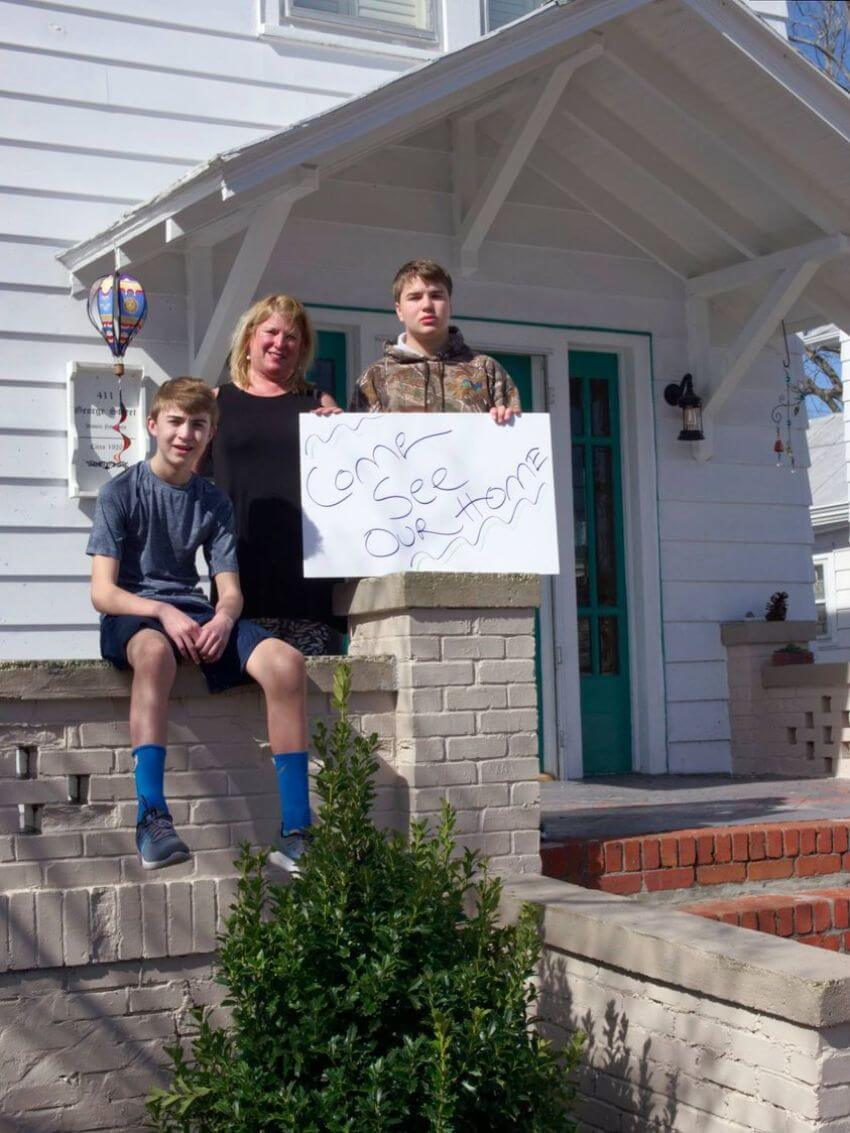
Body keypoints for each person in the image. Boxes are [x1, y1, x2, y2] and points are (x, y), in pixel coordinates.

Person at [88, 377, 312, 874]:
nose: (185, 434)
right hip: (134, 617)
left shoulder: (213, 501)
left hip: (195, 614)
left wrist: (225, 618)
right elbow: (102, 592)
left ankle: (297, 830)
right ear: (153, 425)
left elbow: (229, 590)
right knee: (154, 653)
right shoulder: (120, 493)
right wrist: (161, 611)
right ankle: (151, 818)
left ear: (210, 435)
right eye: (175, 422)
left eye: (199, 425)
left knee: (286, 663)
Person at [204, 294, 345, 656]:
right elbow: (187, 483)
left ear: (302, 349)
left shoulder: (319, 404)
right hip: (239, 581)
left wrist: (342, 434)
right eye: (271, 332)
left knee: (319, 701)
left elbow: (349, 484)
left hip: (310, 584)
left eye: (292, 337)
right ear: (249, 338)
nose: (280, 343)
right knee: (242, 704)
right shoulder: (216, 403)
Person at [349, 258, 520, 422]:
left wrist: (506, 420)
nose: (427, 306)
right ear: (399, 310)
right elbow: (358, 443)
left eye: (436, 296)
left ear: (450, 305)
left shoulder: (486, 371)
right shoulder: (375, 377)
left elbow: (515, 441)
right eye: (415, 297)